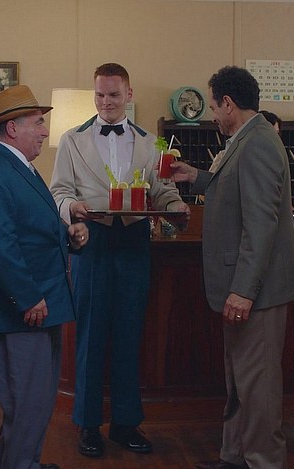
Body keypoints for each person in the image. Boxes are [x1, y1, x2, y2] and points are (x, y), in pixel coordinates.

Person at [50, 63, 190, 458]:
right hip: (91, 242)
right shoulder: (72, 140)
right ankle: (88, 424)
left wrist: (176, 206)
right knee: (90, 335)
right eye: (100, 95)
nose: (106, 102)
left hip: (133, 241)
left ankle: (126, 423)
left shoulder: (151, 143)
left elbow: (162, 192)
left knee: (130, 334)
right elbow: (58, 192)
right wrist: (72, 209)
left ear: (129, 94)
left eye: (113, 95)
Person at [169, 66, 294, 469]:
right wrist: (196, 176)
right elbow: (234, 187)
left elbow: (261, 224)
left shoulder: (258, 142)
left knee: (257, 385)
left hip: (258, 290)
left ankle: (263, 461)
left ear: (228, 103)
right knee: (241, 381)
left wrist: (243, 290)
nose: (213, 115)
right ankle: (234, 457)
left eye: (213, 107)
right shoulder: (246, 139)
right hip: (246, 286)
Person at [0, 85, 89, 469]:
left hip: (38, 304)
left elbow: (29, 228)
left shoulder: (18, 168)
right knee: (28, 403)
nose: (45, 131)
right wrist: (29, 297)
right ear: (13, 128)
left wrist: (68, 235)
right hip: (20, 310)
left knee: (33, 402)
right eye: (38, 123)